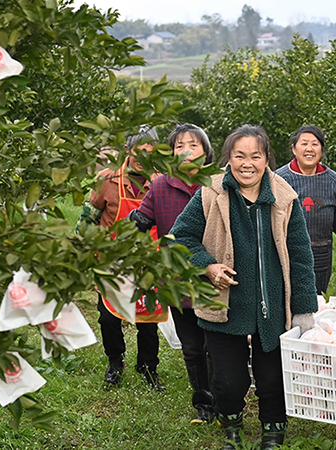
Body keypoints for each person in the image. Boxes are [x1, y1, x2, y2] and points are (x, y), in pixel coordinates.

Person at [170, 124, 318, 450]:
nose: (247, 163)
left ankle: (272, 434)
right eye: (239, 156)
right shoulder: (210, 193)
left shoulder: (283, 198)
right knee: (228, 380)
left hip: (273, 305)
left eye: (255, 155)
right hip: (225, 305)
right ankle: (231, 429)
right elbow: (180, 238)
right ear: (228, 158)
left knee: (271, 378)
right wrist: (207, 266)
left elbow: (300, 256)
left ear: (267, 159)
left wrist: (304, 309)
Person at [128, 123, 216, 424]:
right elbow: (144, 216)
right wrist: (134, 222)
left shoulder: (218, 184)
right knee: (192, 347)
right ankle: (204, 403)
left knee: (216, 345)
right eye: (179, 146)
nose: (186, 151)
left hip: (214, 277)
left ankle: (226, 400)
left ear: (205, 151)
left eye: (193, 145)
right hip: (178, 280)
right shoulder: (161, 186)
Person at [76, 125, 167, 392]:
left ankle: (149, 367)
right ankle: (115, 363)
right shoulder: (107, 180)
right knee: (108, 318)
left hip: (149, 264)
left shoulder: (161, 182)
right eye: (141, 150)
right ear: (128, 150)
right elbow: (86, 222)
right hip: (112, 263)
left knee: (147, 322)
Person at [276, 125, 336, 294]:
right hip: (286, 257)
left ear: (321, 149)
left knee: (315, 304)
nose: (309, 149)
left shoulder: (332, 180)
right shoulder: (279, 179)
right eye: (304, 143)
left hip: (321, 256)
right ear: (293, 149)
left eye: (315, 144)